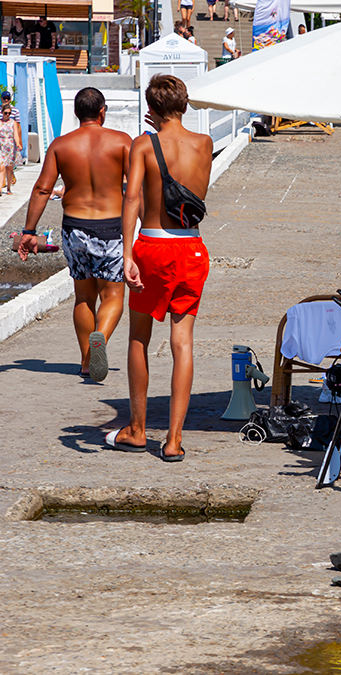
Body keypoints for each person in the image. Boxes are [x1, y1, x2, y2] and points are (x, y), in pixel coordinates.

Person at [112, 74, 214, 462]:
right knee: (182, 341)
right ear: (185, 106)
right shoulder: (204, 145)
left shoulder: (143, 144)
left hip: (152, 246)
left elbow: (133, 199)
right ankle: (173, 440)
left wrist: (126, 255)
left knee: (139, 336)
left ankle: (138, 429)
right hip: (191, 248)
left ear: (151, 109)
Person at [17, 88, 131, 382]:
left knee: (83, 295)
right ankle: (100, 338)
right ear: (102, 111)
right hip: (111, 227)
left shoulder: (61, 145)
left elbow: (43, 189)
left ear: (76, 113)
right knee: (113, 294)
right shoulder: (121, 142)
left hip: (75, 228)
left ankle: (85, 361)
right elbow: (136, 190)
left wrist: (29, 232)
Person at [0, 104, 21, 195]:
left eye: (9, 113)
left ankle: (8, 188)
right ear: (2, 113)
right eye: (6, 113)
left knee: (9, 169)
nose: (8, 115)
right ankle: (0, 188)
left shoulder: (13, 123)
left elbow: (16, 135)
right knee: (1, 167)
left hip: (11, 148)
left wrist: (18, 144)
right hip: (1, 147)